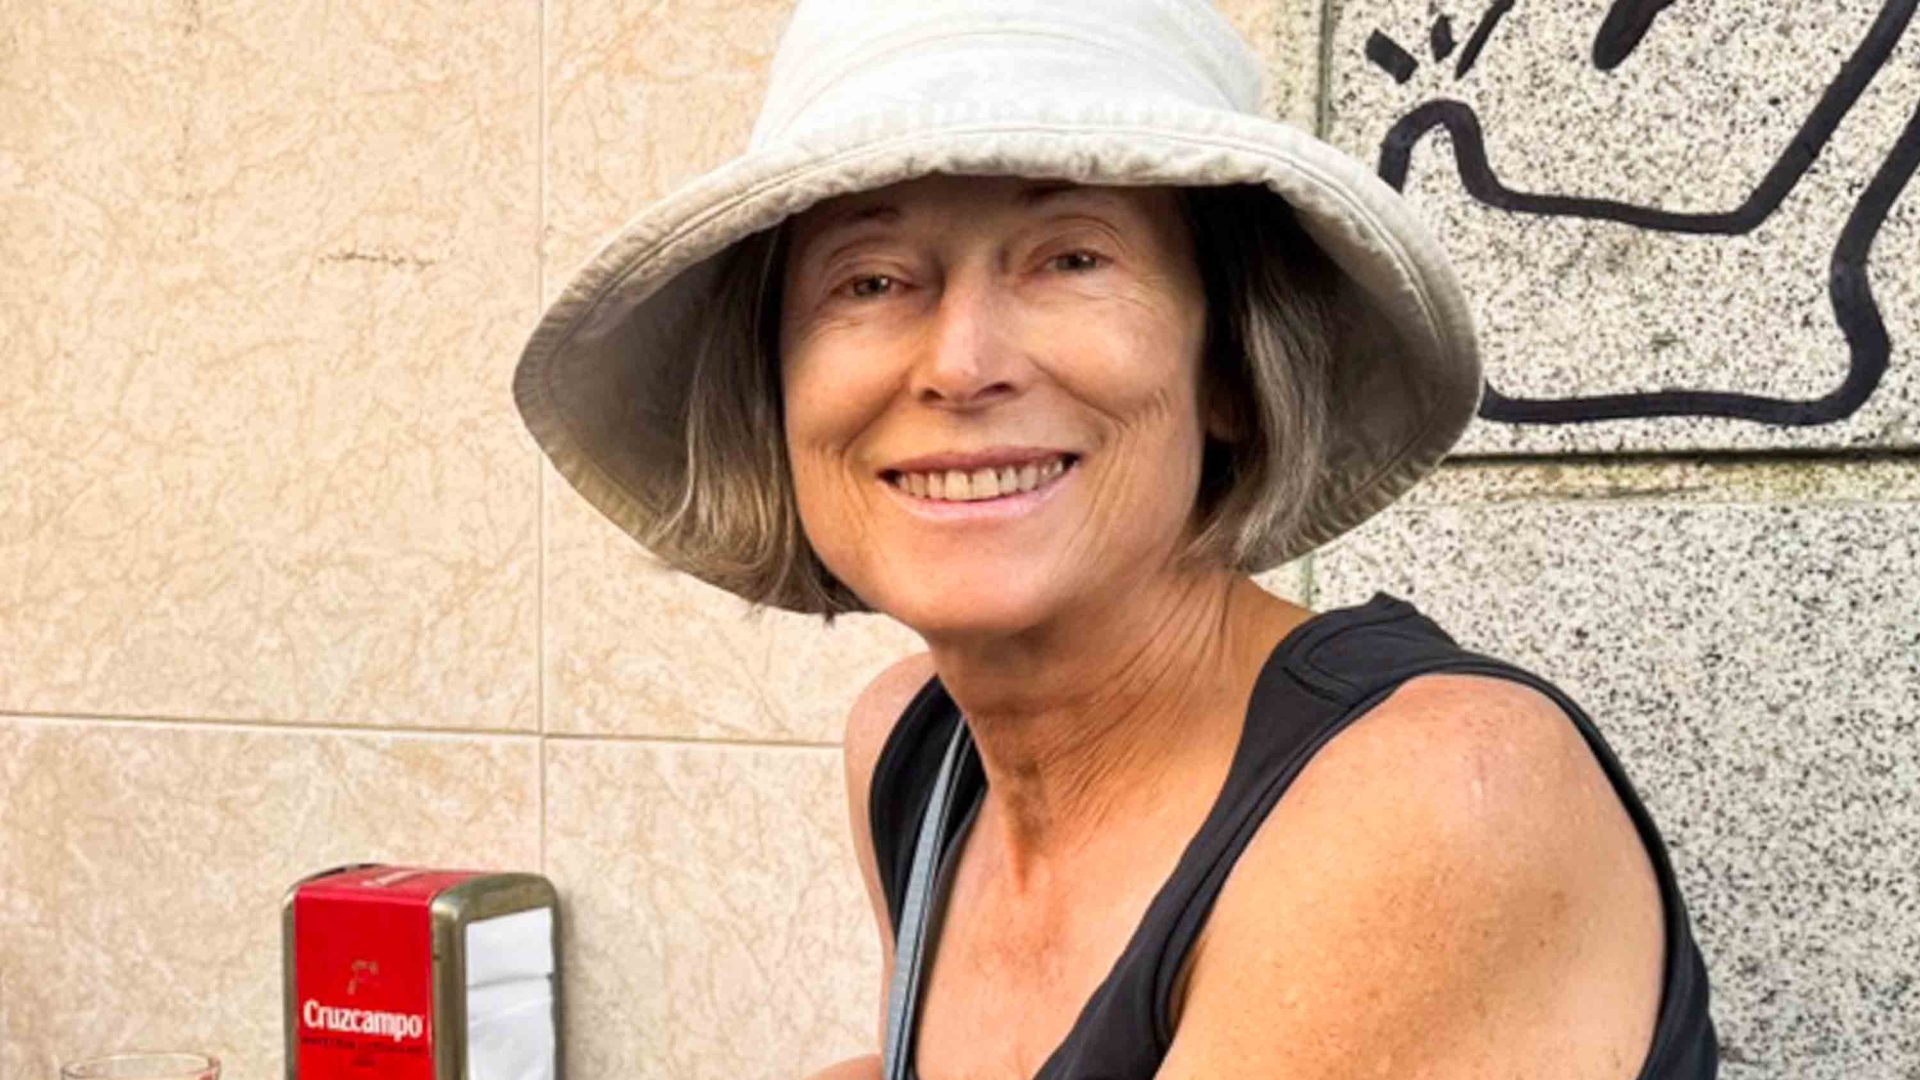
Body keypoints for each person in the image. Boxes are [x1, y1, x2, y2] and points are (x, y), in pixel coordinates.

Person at [511, 2, 1719, 1077]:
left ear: (1232, 368)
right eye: (871, 280)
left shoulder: (1442, 792)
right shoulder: (917, 753)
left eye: (1071, 258)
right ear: (774, 393)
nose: (962, 364)